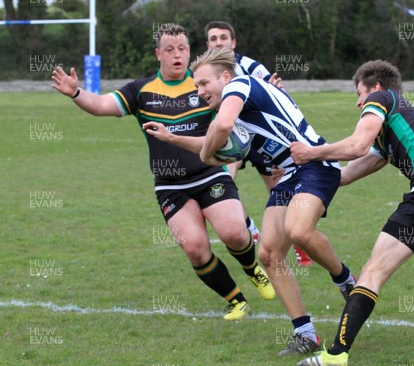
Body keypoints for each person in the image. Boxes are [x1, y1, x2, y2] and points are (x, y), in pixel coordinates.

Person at [50, 23, 274, 321]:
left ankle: (252, 269)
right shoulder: (141, 91)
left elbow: (237, 111)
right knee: (195, 248)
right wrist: (76, 92)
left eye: (182, 48)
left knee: (234, 232)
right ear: (159, 54)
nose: (177, 55)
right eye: (170, 49)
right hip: (170, 186)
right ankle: (236, 301)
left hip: (210, 173)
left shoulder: (204, 85)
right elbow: (103, 104)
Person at [290, 59, 414, 366]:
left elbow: (356, 145)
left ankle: (336, 354)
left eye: (360, 93)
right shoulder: (395, 126)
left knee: (374, 270)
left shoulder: (383, 99)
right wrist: (300, 169)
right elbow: (344, 175)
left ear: (376, 88)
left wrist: (311, 152)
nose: (358, 102)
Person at [191, 47, 357, 357]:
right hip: (291, 173)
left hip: (315, 163)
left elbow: (222, 128)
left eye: (203, 83)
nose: (200, 91)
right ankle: (305, 333)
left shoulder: (239, 86)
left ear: (225, 76)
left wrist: (205, 156)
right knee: (268, 254)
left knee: (298, 230)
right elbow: (232, 138)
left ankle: (347, 281)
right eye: (196, 86)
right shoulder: (240, 99)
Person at [204, 20, 313, 266]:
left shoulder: (251, 67)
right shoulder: (204, 73)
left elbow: (278, 98)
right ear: (207, 44)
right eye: (213, 38)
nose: (219, 42)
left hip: (259, 136)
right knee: (224, 182)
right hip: (230, 138)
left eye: (223, 37)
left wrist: (276, 90)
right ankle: (251, 230)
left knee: (277, 186)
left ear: (233, 42)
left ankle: (299, 240)